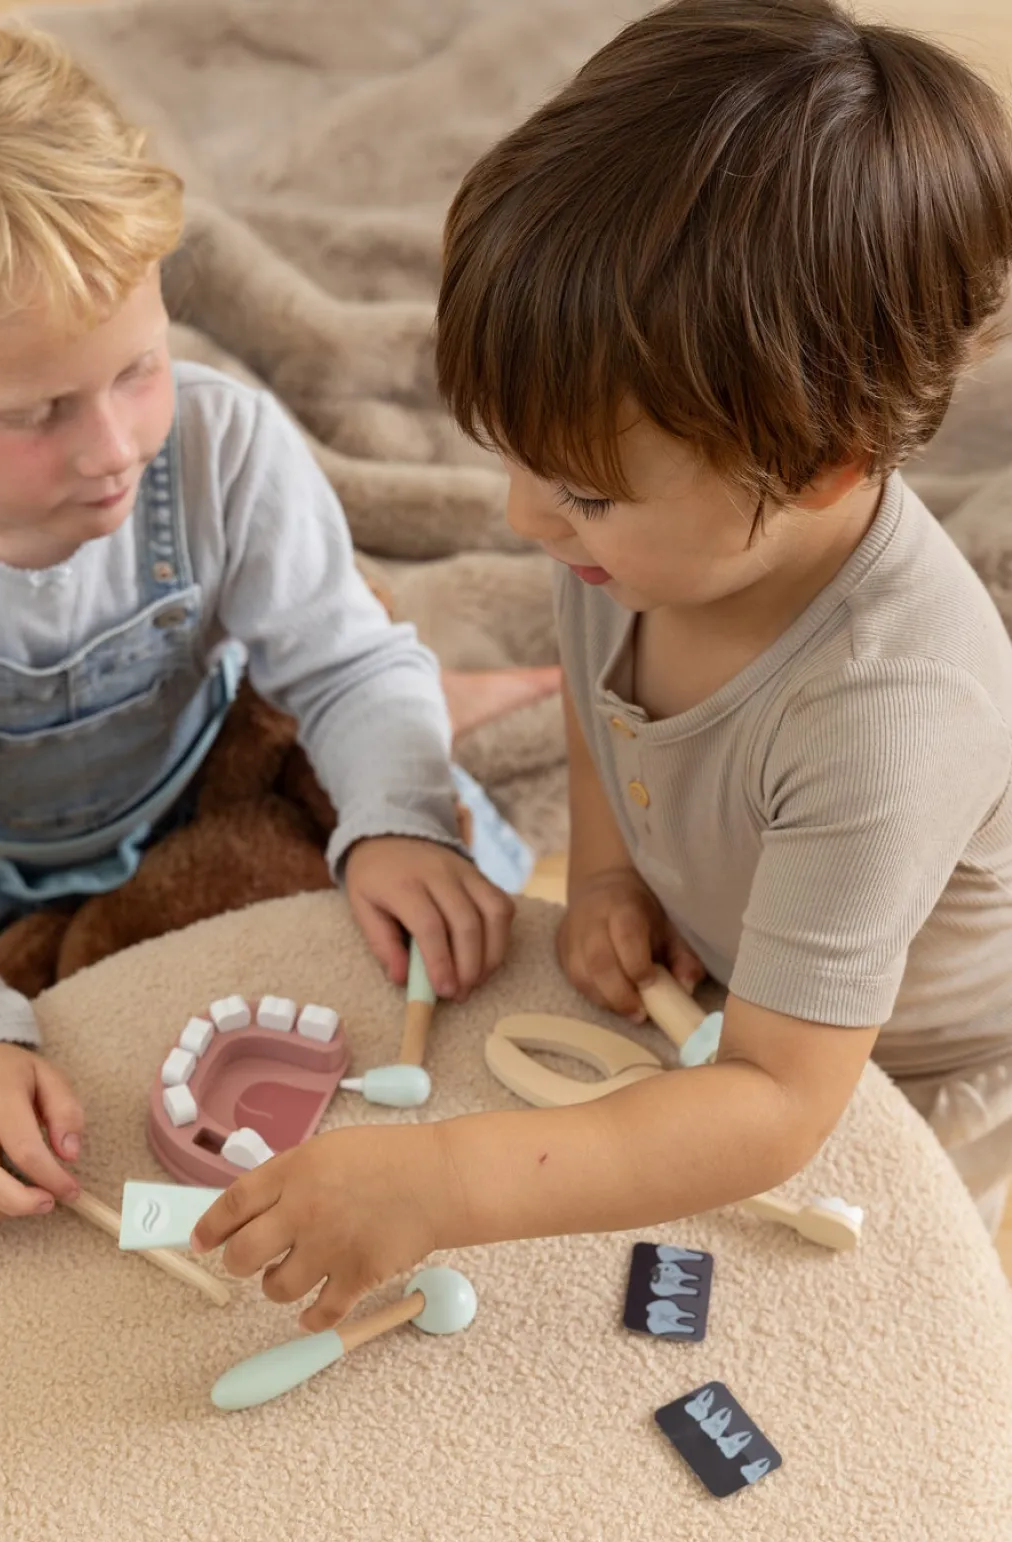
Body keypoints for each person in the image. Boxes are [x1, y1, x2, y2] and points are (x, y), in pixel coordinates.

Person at [194, 0, 1012, 1327]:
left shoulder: (891, 711)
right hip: (726, 984)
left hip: (900, 1070)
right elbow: (599, 700)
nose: (524, 517)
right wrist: (612, 872)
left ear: (820, 465)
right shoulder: (626, 556)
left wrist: (445, 1177)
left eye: (578, 490)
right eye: (516, 461)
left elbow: (778, 1100)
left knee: (861, 1321)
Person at [0, 26, 519, 1227]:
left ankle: (442, 735)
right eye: (38, 412)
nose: (112, 447)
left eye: (139, 368)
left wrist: (395, 822)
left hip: (201, 780)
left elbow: (348, 666)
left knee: (452, 897)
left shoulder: (226, 445)